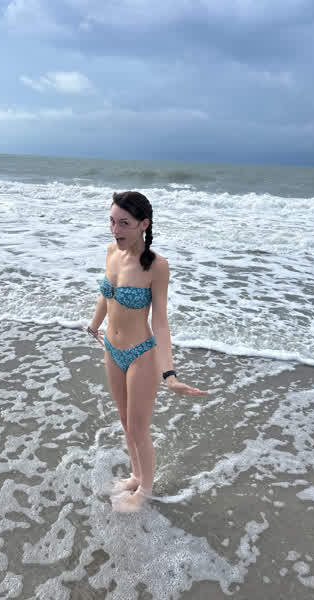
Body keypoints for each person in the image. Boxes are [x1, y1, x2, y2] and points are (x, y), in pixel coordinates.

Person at [83, 191, 208, 513]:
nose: (115, 230)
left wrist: (170, 374)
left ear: (143, 224)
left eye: (124, 223)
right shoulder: (111, 252)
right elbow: (106, 295)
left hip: (142, 353)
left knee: (139, 429)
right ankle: (136, 475)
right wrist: (94, 326)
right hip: (112, 349)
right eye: (112, 221)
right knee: (125, 422)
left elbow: (161, 322)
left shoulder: (157, 266)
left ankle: (146, 491)